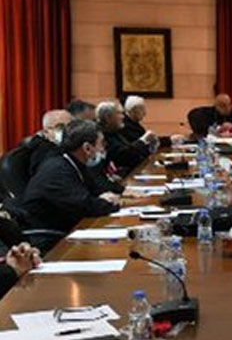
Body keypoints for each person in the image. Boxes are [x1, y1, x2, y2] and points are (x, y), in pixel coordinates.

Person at [17, 120, 121, 251]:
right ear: (87, 148)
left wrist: (106, 196)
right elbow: (86, 206)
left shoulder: (72, 162)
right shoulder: (58, 170)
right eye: (101, 143)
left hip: (67, 228)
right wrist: (110, 203)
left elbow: (95, 189)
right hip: (49, 241)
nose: (103, 148)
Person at [0, 110, 71, 203]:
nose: (65, 131)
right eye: (60, 127)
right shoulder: (42, 152)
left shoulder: (70, 148)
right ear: (46, 132)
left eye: (69, 126)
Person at [98, 101, 157, 175]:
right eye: (119, 113)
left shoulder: (116, 131)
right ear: (108, 118)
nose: (123, 117)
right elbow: (124, 155)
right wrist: (143, 140)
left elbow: (132, 151)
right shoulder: (102, 136)